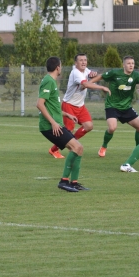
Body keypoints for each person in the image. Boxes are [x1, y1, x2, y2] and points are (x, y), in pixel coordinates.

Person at [37, 56, 87, 192]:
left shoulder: (51, 81)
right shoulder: (48, 81)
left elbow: (52, 106)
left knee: (78, 149)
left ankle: (73, 182)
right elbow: (40, 104)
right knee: (77, 147)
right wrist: (53, 123)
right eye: (61, 66)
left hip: (57, 124)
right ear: (58, 67)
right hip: (50, 126)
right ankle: (64, 181)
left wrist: (67, 114)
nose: (62, 68)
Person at [49, 53, 109, 159]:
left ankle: (73, 142)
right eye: (81, 60)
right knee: (68, 132)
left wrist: (94, 74)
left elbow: (92, 74)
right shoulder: (76, 72)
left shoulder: (85, 70)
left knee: (89, 126)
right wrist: (102, 87)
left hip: (80, 106)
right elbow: (85, 84)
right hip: (69, 105)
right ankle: (54, 150)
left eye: (85, 60)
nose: (83, 62)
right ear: (75, 63)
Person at [86, 55, 139, 157]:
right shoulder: (115, 73)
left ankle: (138, 149)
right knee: (112, 128)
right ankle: (103, 147)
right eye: (128, 63)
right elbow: (101, 76)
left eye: (132, 63)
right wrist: (90, 82)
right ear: (123, 65)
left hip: (126, 107)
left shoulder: (136, 75)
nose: (131, 65)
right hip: (112, 106)